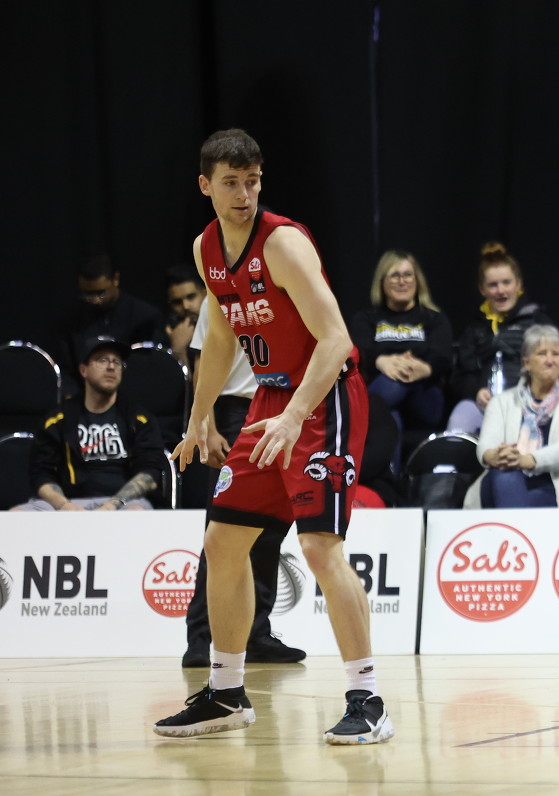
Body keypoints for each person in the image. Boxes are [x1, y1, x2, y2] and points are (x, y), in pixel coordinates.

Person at [155, 128, 392, 745]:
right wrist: (199, 415)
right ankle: (226, 693)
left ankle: (368, 698)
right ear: (205, 185)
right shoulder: (207, 248)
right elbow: (222, 335)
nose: (243, 194)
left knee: (319, 548)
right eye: (231, 183)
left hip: (324, 396)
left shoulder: (283, 244)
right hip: (271, 398)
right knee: (223, 540)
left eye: (253, 182)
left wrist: (294, 418)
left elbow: (336, 340)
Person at [179, 302, 306, 668]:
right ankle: (200, 638)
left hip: (285, 409)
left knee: (270, 530)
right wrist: (208, 425)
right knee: (222, 532)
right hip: (236, 410)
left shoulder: (288, 288)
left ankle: (256, 633)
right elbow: (203, 363)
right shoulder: (218, 294)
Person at [12, 336, 165, 511]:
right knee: (16, 514)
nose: (111, 366)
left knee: (136, 512)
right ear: (83, 370)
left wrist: (112, 505)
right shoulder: (57, 420)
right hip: (69, 502)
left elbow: (150, 473)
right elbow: (41, 474)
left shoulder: (139, 418)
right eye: (102, 360)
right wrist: (65, 505)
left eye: (117, 362)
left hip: (123, 503)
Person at [472, 324, 559, 508]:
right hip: (501, 481)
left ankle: (513, 526)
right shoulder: (501, 402)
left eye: (556, 354)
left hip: (553, 487)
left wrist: (527, 460)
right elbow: (487, 444)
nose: (550, 360)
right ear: (526, 363)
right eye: (542, 354)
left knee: (511, 483)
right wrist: (496, 456)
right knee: (505, 476)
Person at [445, 242, 551, 435]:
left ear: (518, 284)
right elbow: (461, 375)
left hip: (528, 403)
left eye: (506, 282)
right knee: (459, 420)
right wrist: (476, 392)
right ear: (482, 289)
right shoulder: (474, 327)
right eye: (493, 285)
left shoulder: (537, 321)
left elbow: (553, 366)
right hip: (484, 405)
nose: (501, 290)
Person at [349, 249, 452, 441]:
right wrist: (381, 361)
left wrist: (424, 368)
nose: (402, 281)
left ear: (417, 280)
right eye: (395, 275)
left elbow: (443, 356)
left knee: (396, 381)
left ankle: (355, 417)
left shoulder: (434, 318)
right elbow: (360, 351)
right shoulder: (366, 319)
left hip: (425, 397)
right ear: (382, 282)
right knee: (390, 419)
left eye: (407, 275)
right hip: (384, 393)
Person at [60, 253, 164, 390]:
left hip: (132, 394)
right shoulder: (71, 319)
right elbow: (65, 368)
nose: (94, 300)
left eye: (100, 293)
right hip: (83, 395)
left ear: (115, 279)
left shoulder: (144, 317)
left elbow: (149, 368)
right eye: (87, 294)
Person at [164, 263, 206, 360]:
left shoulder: (224, 325)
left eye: (191, 297)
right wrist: (178, 349)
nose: (186, 306)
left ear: (205, 293)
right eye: (177, 302)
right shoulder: (168, 334)